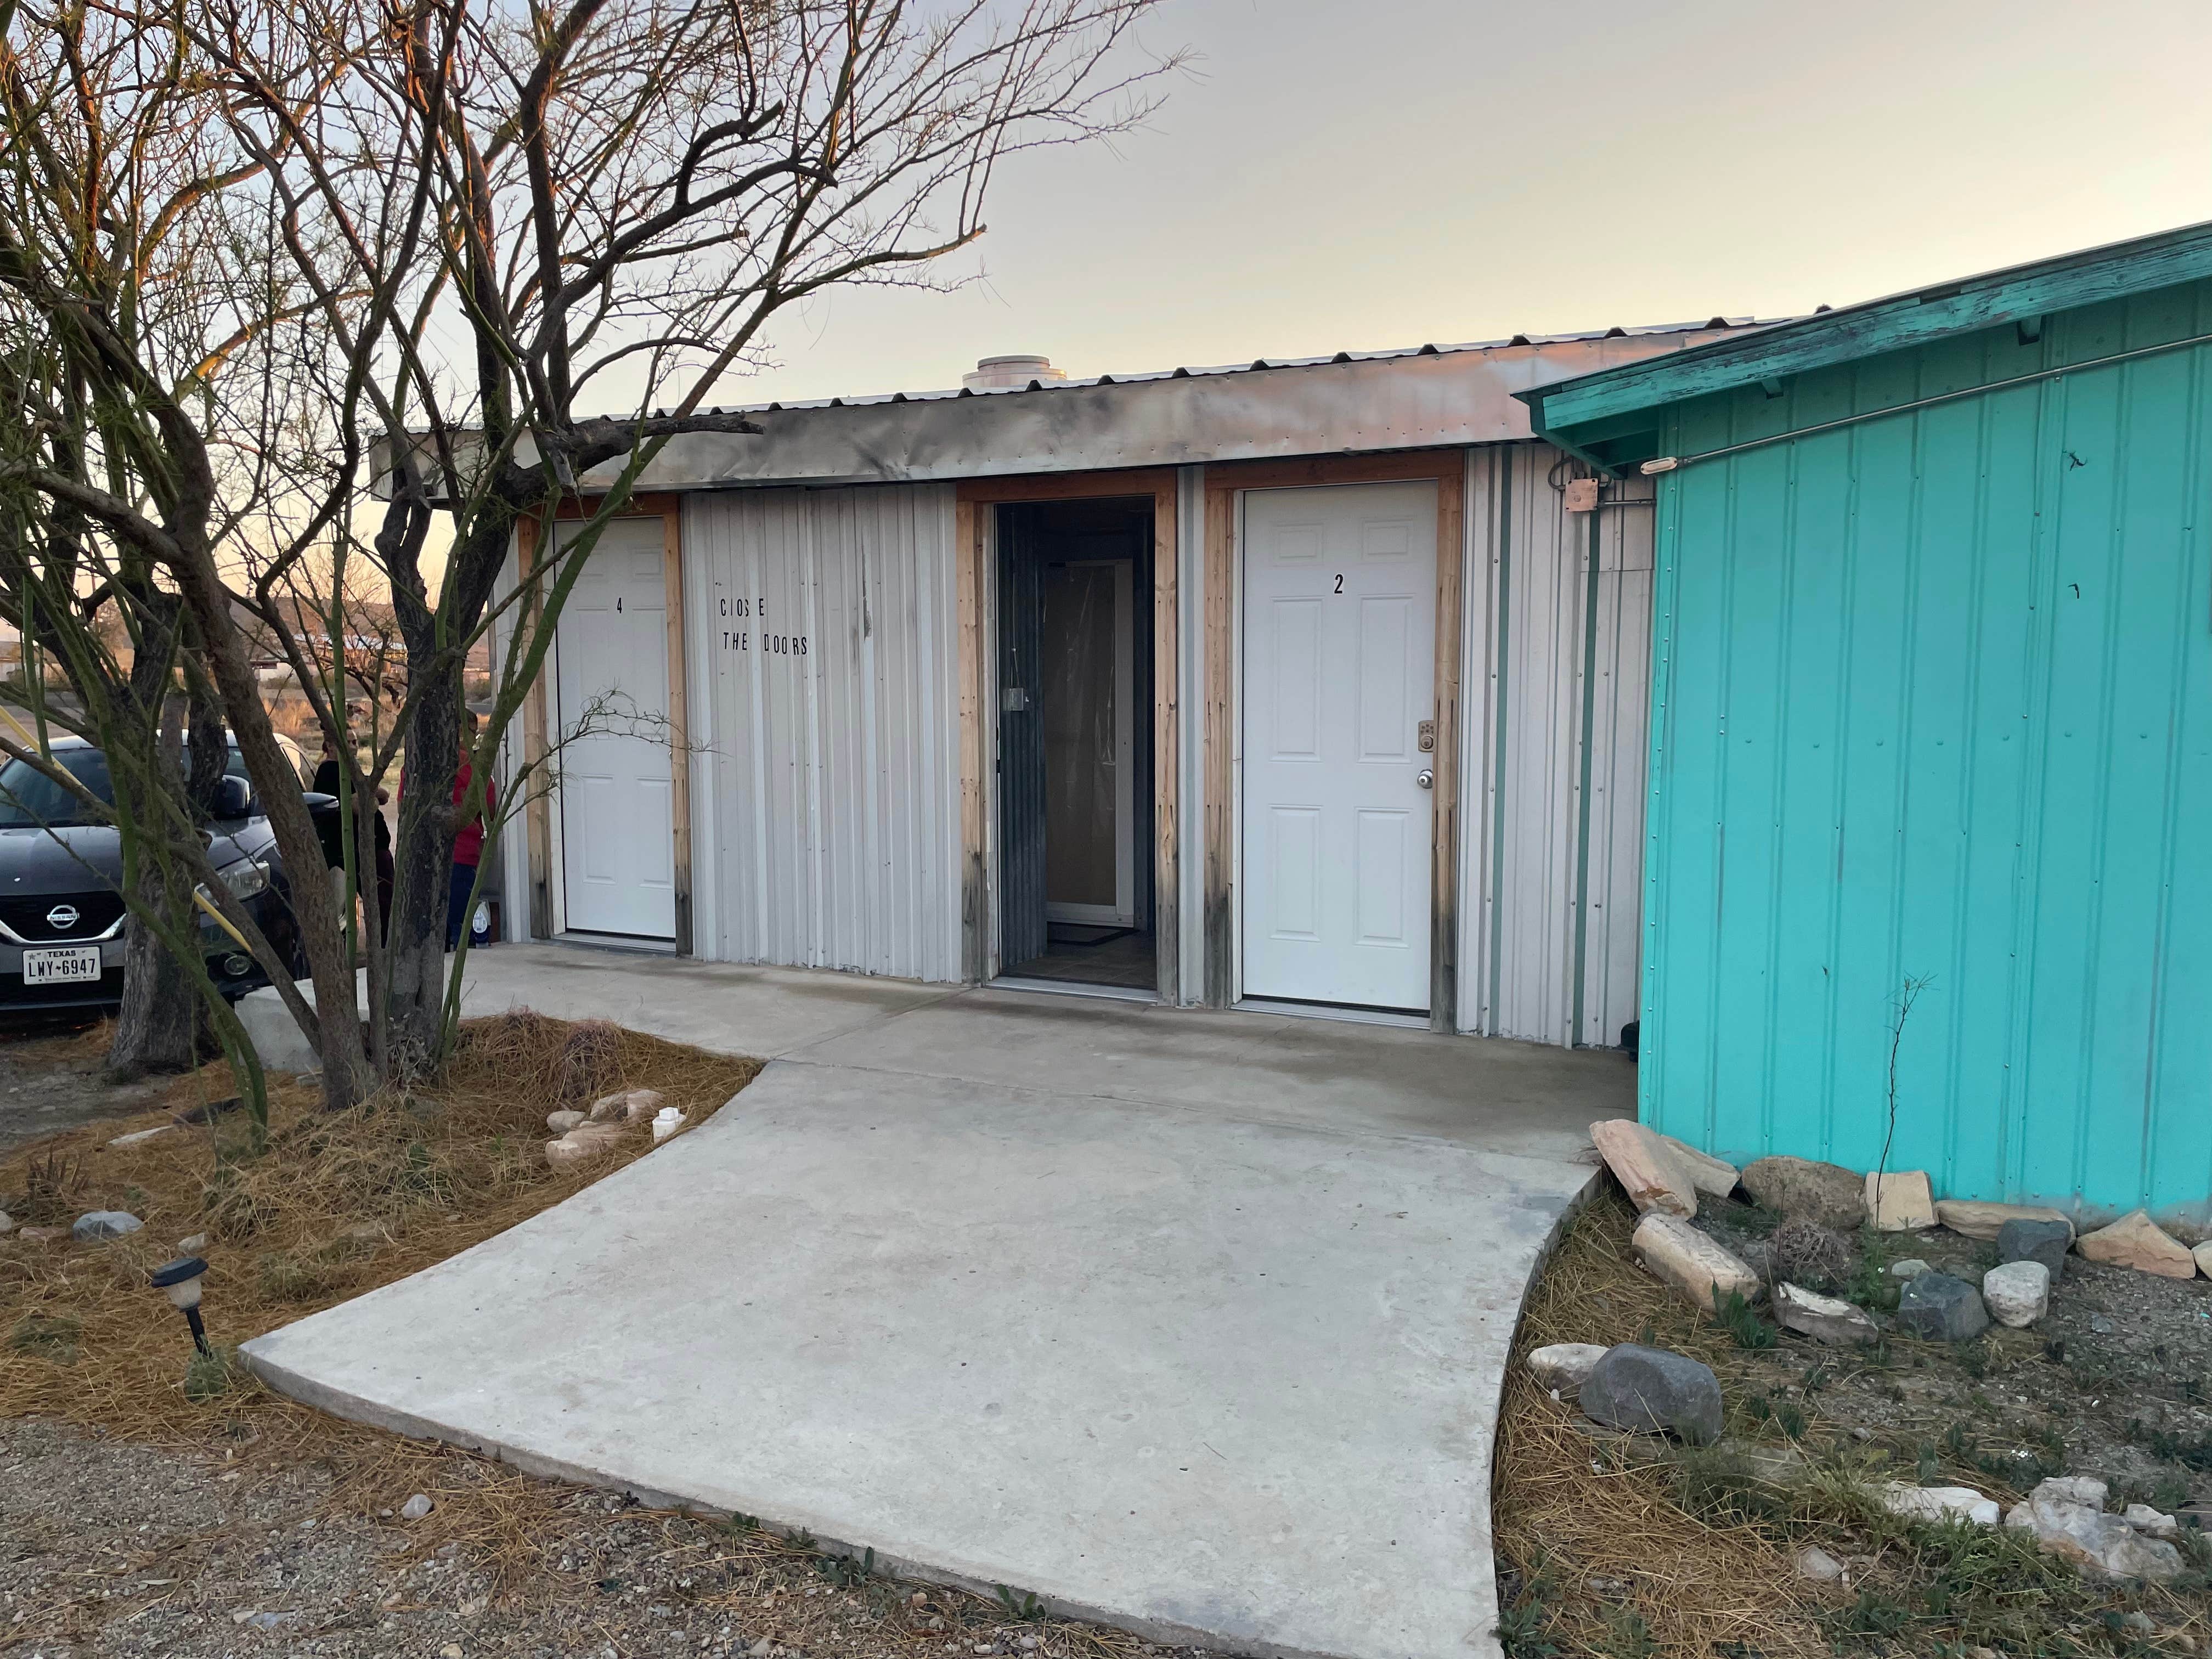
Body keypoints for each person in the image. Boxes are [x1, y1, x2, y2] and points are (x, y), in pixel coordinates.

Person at [313, 727, 394, 940]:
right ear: (330, 746)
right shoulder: (330, 772)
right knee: (380, 903)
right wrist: (370, 796)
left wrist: (370, 794)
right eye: (347, 743)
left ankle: (384, 945)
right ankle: (382, 946)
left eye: (355, 742)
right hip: (355, 851)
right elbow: (359, 805)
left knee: (386, 903)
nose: (353, 748)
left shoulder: (351, 770)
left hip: (374, 847)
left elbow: (384, 795)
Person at [444, 713, 496, 951]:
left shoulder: (418, 765)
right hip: (463, 855)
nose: (474, 738)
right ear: (460, 731)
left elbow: (402, 806)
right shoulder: (474, 768)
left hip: (427, 858)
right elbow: (490, 811)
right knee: (463, 924)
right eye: (473, 732)